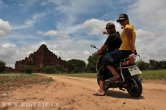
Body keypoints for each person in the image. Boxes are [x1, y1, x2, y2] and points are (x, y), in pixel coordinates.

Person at [93, 22, 122, 96]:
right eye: (107, 28)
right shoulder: (117, 34)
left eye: (109, 28)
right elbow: (112, 35)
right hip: (118, 53)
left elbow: (104, 47)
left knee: (102, 69)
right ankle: (116, 75)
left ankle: (102, 91)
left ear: (113, 28)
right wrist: (106, 33)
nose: (108, 29)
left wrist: (97, 53)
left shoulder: (111, 36)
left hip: (112, 53)